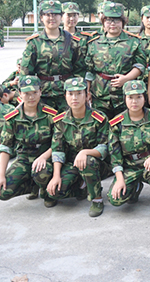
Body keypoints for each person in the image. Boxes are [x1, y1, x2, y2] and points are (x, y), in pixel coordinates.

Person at [34, 77, 111, 216]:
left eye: (79, 93)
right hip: (72, 164)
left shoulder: (99, 118)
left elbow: (104, 147)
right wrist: (56, 176)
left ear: (87, 95)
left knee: (88, 161)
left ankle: (97, 199)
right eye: (70, 94)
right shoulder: (61, 120)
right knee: (55, 192)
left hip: (96, 164)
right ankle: (81, 188)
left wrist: (85, 152)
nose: (74, 98)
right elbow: (58, 149)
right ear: (65, 96)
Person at [107, 80, 150, 216]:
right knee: (115, 200)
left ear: (144, 98)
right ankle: (135, 187)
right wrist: (119, 179)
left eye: (138, 97)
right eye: (130, 97)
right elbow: (115, 155)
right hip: (129, 166)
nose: (134, 101)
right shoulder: (117, 123)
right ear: (125, 98)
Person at [0, 76, 58, 204]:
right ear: (20, 93)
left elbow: (58, 143)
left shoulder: (51, 115)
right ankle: (32, 186)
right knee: (2, 192)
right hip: (24, 159)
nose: (31, 97)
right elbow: (5, 147)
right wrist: (1, 176)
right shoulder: (13, 118)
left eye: (34, 92)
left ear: (40, 92)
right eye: (27, 93)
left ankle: (47, 192)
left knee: (42, 172)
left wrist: (43, 157)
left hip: (46, 159)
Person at [20, 0, 85, 111]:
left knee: (67, 121)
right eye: (48, 14)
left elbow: (80, 69)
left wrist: (76, 91)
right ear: (41, 17)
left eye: (55, 14)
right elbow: (26, 72)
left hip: (67, 93)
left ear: (61, 17)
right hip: (43, 94)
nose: (52, 18)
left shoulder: (72, 41)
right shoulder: (34, 42)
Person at [85, 2, 145, 118]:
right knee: (101, 124)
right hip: (100, 95)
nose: (112, 24)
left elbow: (140, 65)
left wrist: (126, 78)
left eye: (117, 20)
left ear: (123, 22)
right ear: (103, 22)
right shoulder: (94, 43)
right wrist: (87, 91)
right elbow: (89, 71)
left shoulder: (133, 42)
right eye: (108, 20)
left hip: (125, 94)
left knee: (124, 124)